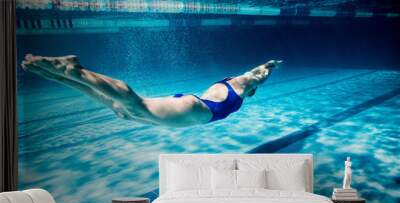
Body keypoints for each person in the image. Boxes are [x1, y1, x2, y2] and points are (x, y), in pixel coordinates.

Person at [22, 54, 282, 127]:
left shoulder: (230, 85)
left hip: (193, 108)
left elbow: (254, 73)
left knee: (121, 110)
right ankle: (74, 70)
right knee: (136, 104)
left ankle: (56, 75)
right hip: (197, 109)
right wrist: (270, 66)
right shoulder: (240, 85)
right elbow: (256, 75)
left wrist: (266, 67)